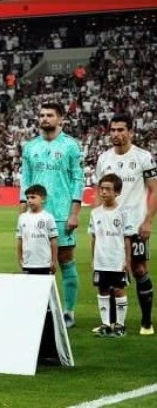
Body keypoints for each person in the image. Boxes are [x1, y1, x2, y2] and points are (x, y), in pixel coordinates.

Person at [20, 103, 85, 328]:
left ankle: (68, 312)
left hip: (61, 212)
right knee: (36, 261)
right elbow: (25, 180)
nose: (44, 118)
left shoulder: (71, 146)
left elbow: (78, 179)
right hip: (34, 214)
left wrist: (74, 212)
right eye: (41, 115)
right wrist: (22, 211)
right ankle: (40, 310)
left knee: (65, 260)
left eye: (49, 115)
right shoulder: (30, 147)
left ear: (60, 119)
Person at [95, 113, 157, 335]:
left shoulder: (143, 157)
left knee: (139, 268)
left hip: (135, 223)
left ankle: (146, 322)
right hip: (110, 225)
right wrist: (97, 220)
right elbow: (99, 192)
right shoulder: (104, 159)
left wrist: (148, 220)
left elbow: (154, 190)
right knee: (110, 270)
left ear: (130, 131)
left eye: (121, 130)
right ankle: (112, 323)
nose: (116, 134)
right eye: (113, 130)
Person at [89, 174, 134, 338]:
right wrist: (93, 259)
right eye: (101, 189)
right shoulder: (95, 213)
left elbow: (127, 238)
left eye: (108, 189)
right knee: (102, 290)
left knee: (119, 290)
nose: (103, 192)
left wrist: (127, 260)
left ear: (117, 192)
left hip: (117, 260)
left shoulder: (123, 212)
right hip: (101, 260)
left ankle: (120, 325)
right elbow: (94, 238)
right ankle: (106, 324)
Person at [17, 184, 59, 275]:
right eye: (27, 198)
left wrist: (54, 260)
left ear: (43, 199)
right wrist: (20, 258)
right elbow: (20, 240)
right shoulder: (22, 218)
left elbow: (54, 240)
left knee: (45, 284)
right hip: (27, 263)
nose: (29, 200)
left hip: (45, 264)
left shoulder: (48, 217)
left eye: (33, 197)